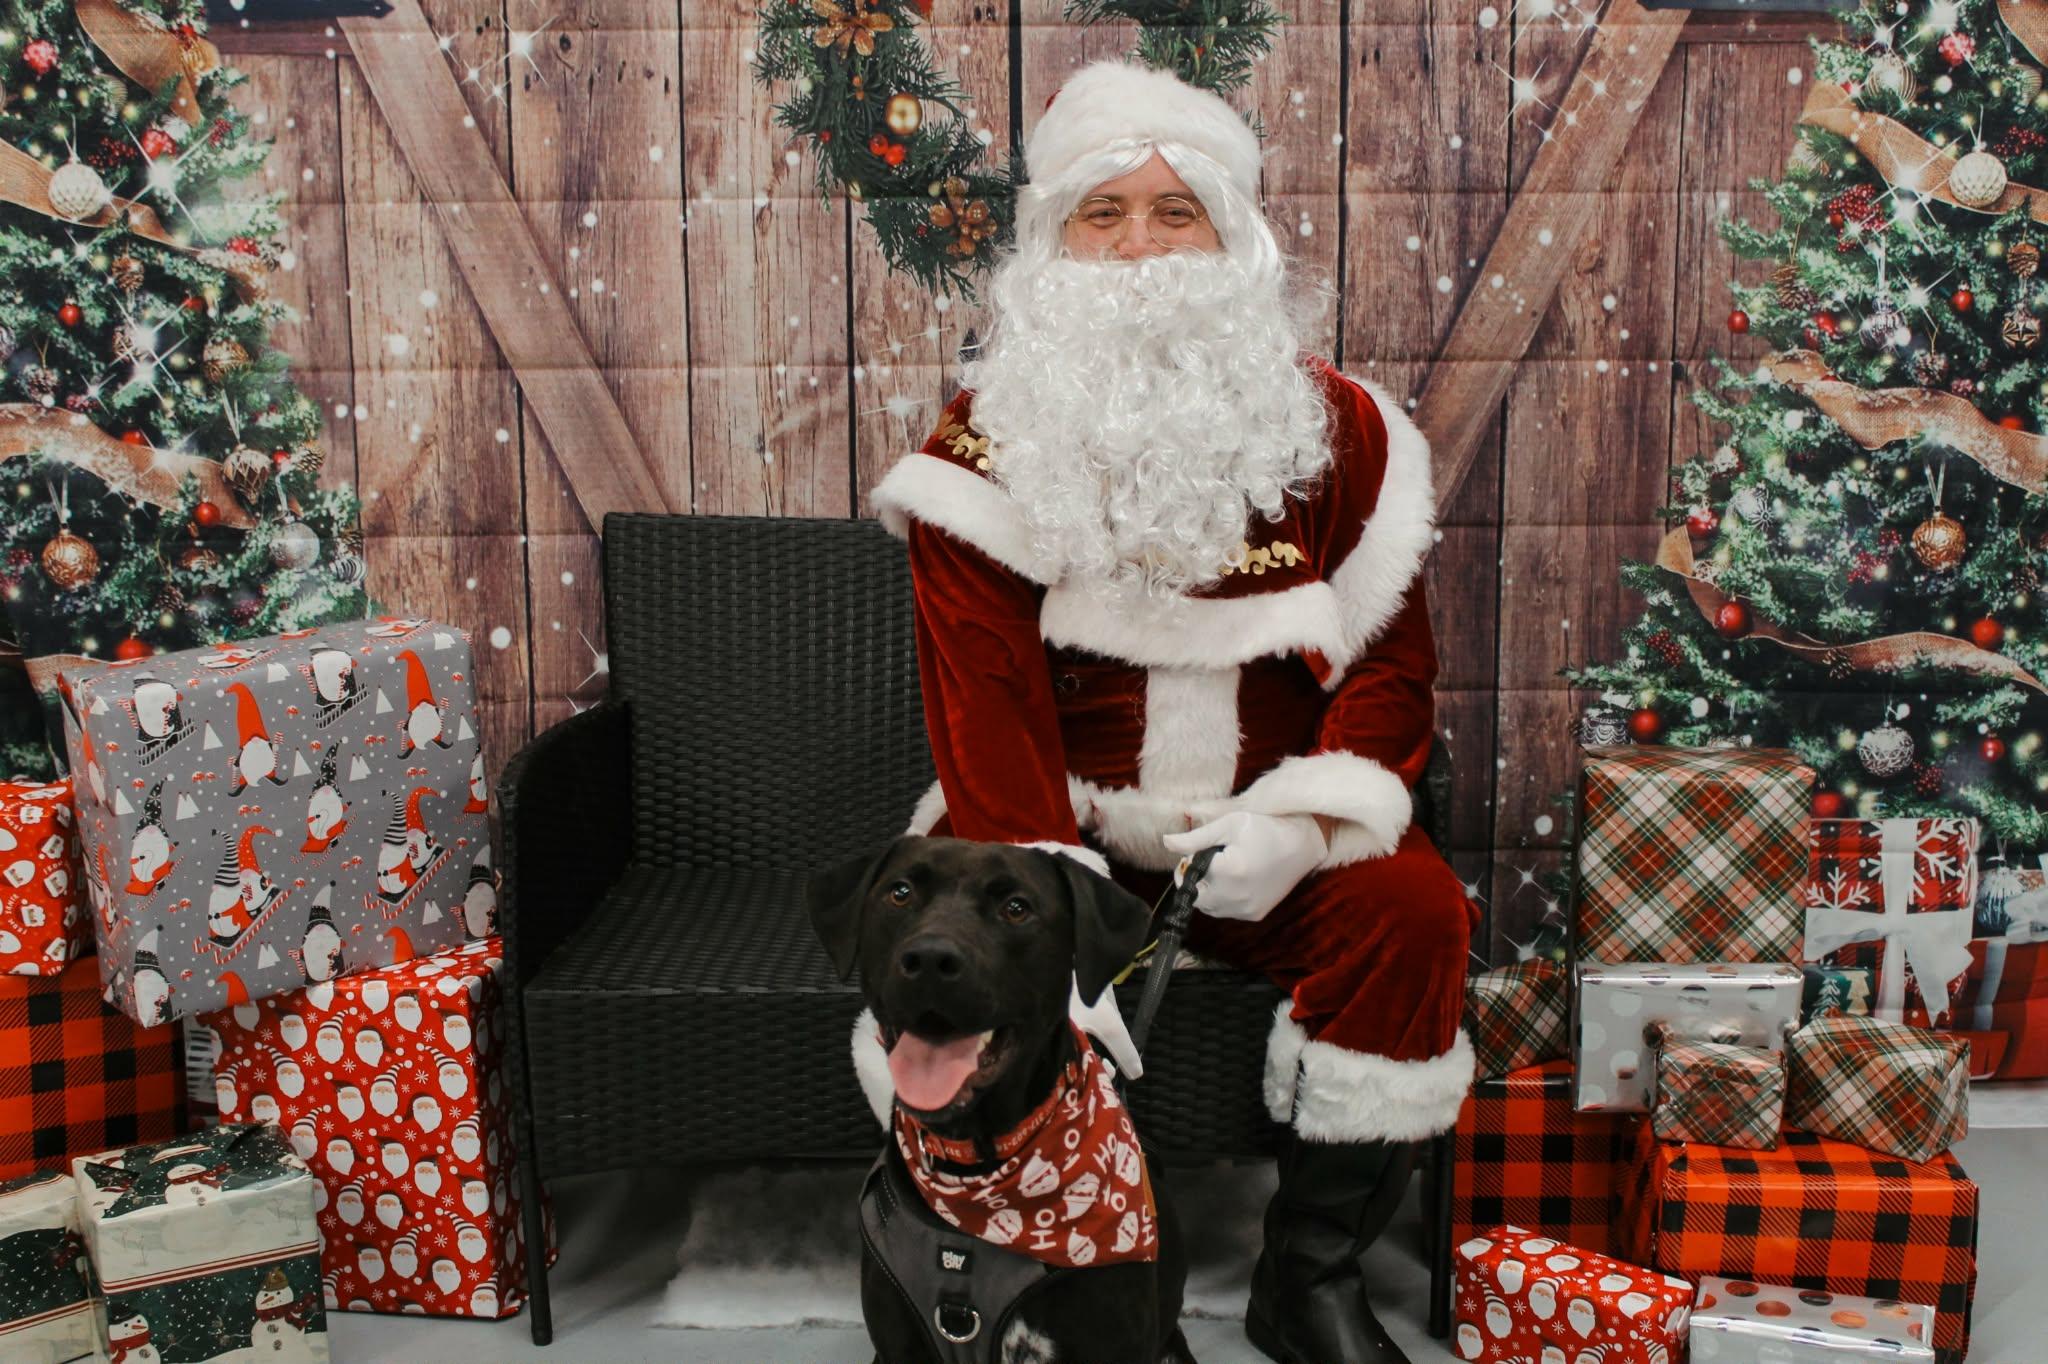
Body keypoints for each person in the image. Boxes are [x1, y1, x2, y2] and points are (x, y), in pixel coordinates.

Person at [868, 58, 1476, 1364]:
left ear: (1232, 235)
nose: (1140, 246)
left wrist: (1302, 827)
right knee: (988, 943)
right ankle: (1045, 1268)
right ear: (1055, 243)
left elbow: (1388, 667)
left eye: (1174, 211)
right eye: (1105, 213)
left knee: (1416, 912)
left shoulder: (1346, 433)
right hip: (1060, 827)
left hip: (1261, 832)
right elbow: (983, 699)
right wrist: (1053, 903)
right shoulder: (984, 443)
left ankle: (1310, 1279)